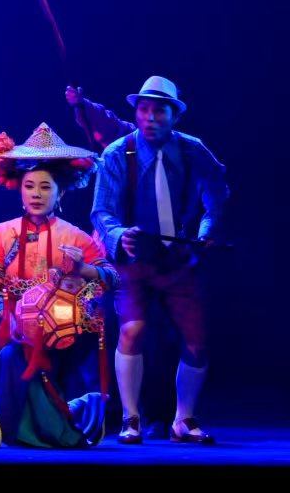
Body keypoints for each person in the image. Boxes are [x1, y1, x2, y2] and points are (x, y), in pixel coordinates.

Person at [91, 75, 228, 445]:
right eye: (144, 109)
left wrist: (207, 228)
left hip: (179, 259)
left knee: (197, 340)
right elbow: (102, 211)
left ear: (174, 116)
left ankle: (184, 419)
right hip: (134, 260)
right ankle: (130, 417)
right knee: (132, 329)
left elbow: (217, 192)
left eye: (159, 111)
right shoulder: (118, 153)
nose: (150, 117)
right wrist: (120, 235)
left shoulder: (192, 150)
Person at [0, 123, 113, 448]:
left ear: (60, 192)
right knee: (12, 355)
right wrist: (7, 315)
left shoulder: (76, 237)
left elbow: (112, 278)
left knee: (45, 356)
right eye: (29, 186)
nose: (36, 194)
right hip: (17, 328)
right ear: (19, 189)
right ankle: (38, 426)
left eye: (44, 187)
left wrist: (83, 272)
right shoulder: (0, 234)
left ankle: (51, 428)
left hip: (66, 331)